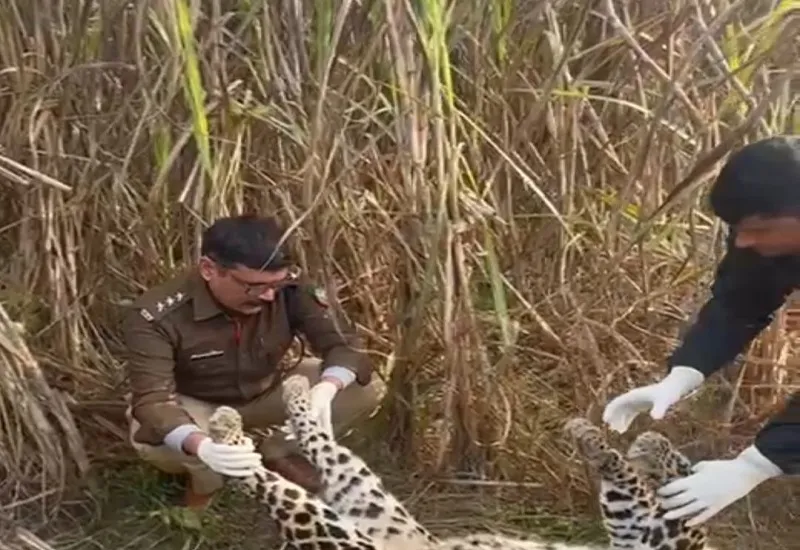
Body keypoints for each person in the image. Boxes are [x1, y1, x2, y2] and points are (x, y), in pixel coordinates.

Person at [602, 135, 800, 526]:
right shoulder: (764, 234)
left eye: (759, 229)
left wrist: (757, 464)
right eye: (738, 229)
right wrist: (682, 375)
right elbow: (739, 304)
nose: (744, 241)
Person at [121, 214, 384, 509]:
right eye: (254, 287)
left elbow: (345, 345)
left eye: (277, 283)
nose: (270, 296)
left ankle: (280, 452)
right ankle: (203, 490)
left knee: (363, 389)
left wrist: (327, 388)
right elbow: (154, 401)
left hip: (268, 387)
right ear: (209, 269)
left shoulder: (289, 289)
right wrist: (202, 446)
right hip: (196, 402)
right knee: (164, 442)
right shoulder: (155, 316)